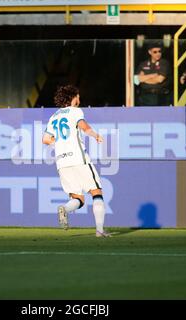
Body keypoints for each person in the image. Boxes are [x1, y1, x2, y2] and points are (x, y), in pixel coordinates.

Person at [42, 85, 111, 238]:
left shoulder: (54, 116)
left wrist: (59, 142)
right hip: (79, 159)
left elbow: (45, 139)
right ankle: (100, 230)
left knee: (77, 198)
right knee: (96, 192)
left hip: (62, 162)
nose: (79, 99)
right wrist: (95, 135)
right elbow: (83, 126)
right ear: (73, 97)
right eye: (78, 96)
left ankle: (65, 209)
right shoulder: (75, 111)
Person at [135, 42, 171, 106]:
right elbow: (137, 79)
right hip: (143, 96)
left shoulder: (164, 63)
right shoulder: (143, 64)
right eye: (155, 52)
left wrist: (144, 78)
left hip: (159, 96)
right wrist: (152, 75)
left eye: (159, 51)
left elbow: (159, 79)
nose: (158, 54)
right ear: (149, 52)